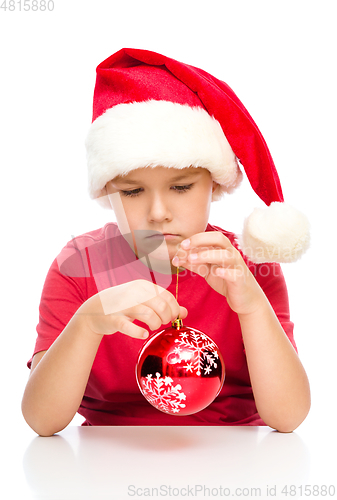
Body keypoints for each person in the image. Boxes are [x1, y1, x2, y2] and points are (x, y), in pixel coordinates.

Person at [21, 48, 311, 436]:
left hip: (236, 455)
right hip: (104, 463)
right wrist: (87, 323)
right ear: (109, 191)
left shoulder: (246, 265)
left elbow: (288, 418)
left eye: (180, 187)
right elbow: (42, 422)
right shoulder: (79, 264)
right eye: (133, 191)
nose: (158, 212)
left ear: (215, 184)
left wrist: (253, 306)